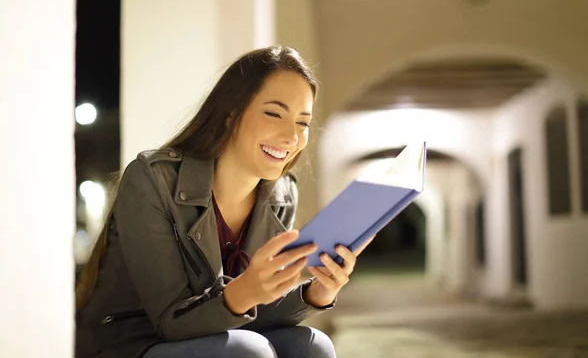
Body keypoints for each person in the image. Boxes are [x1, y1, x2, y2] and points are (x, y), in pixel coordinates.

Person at [75, 46, 371, 358]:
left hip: (215, 338)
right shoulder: (153, 179)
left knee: (312, 347)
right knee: (248, 351)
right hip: (132, 344)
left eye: (303, 122)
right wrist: (245, 291)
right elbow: (170, 322)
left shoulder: (281, 193)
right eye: (274, 113)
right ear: (231, 115)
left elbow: (251, 314)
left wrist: (316, 293)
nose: (292, 136)